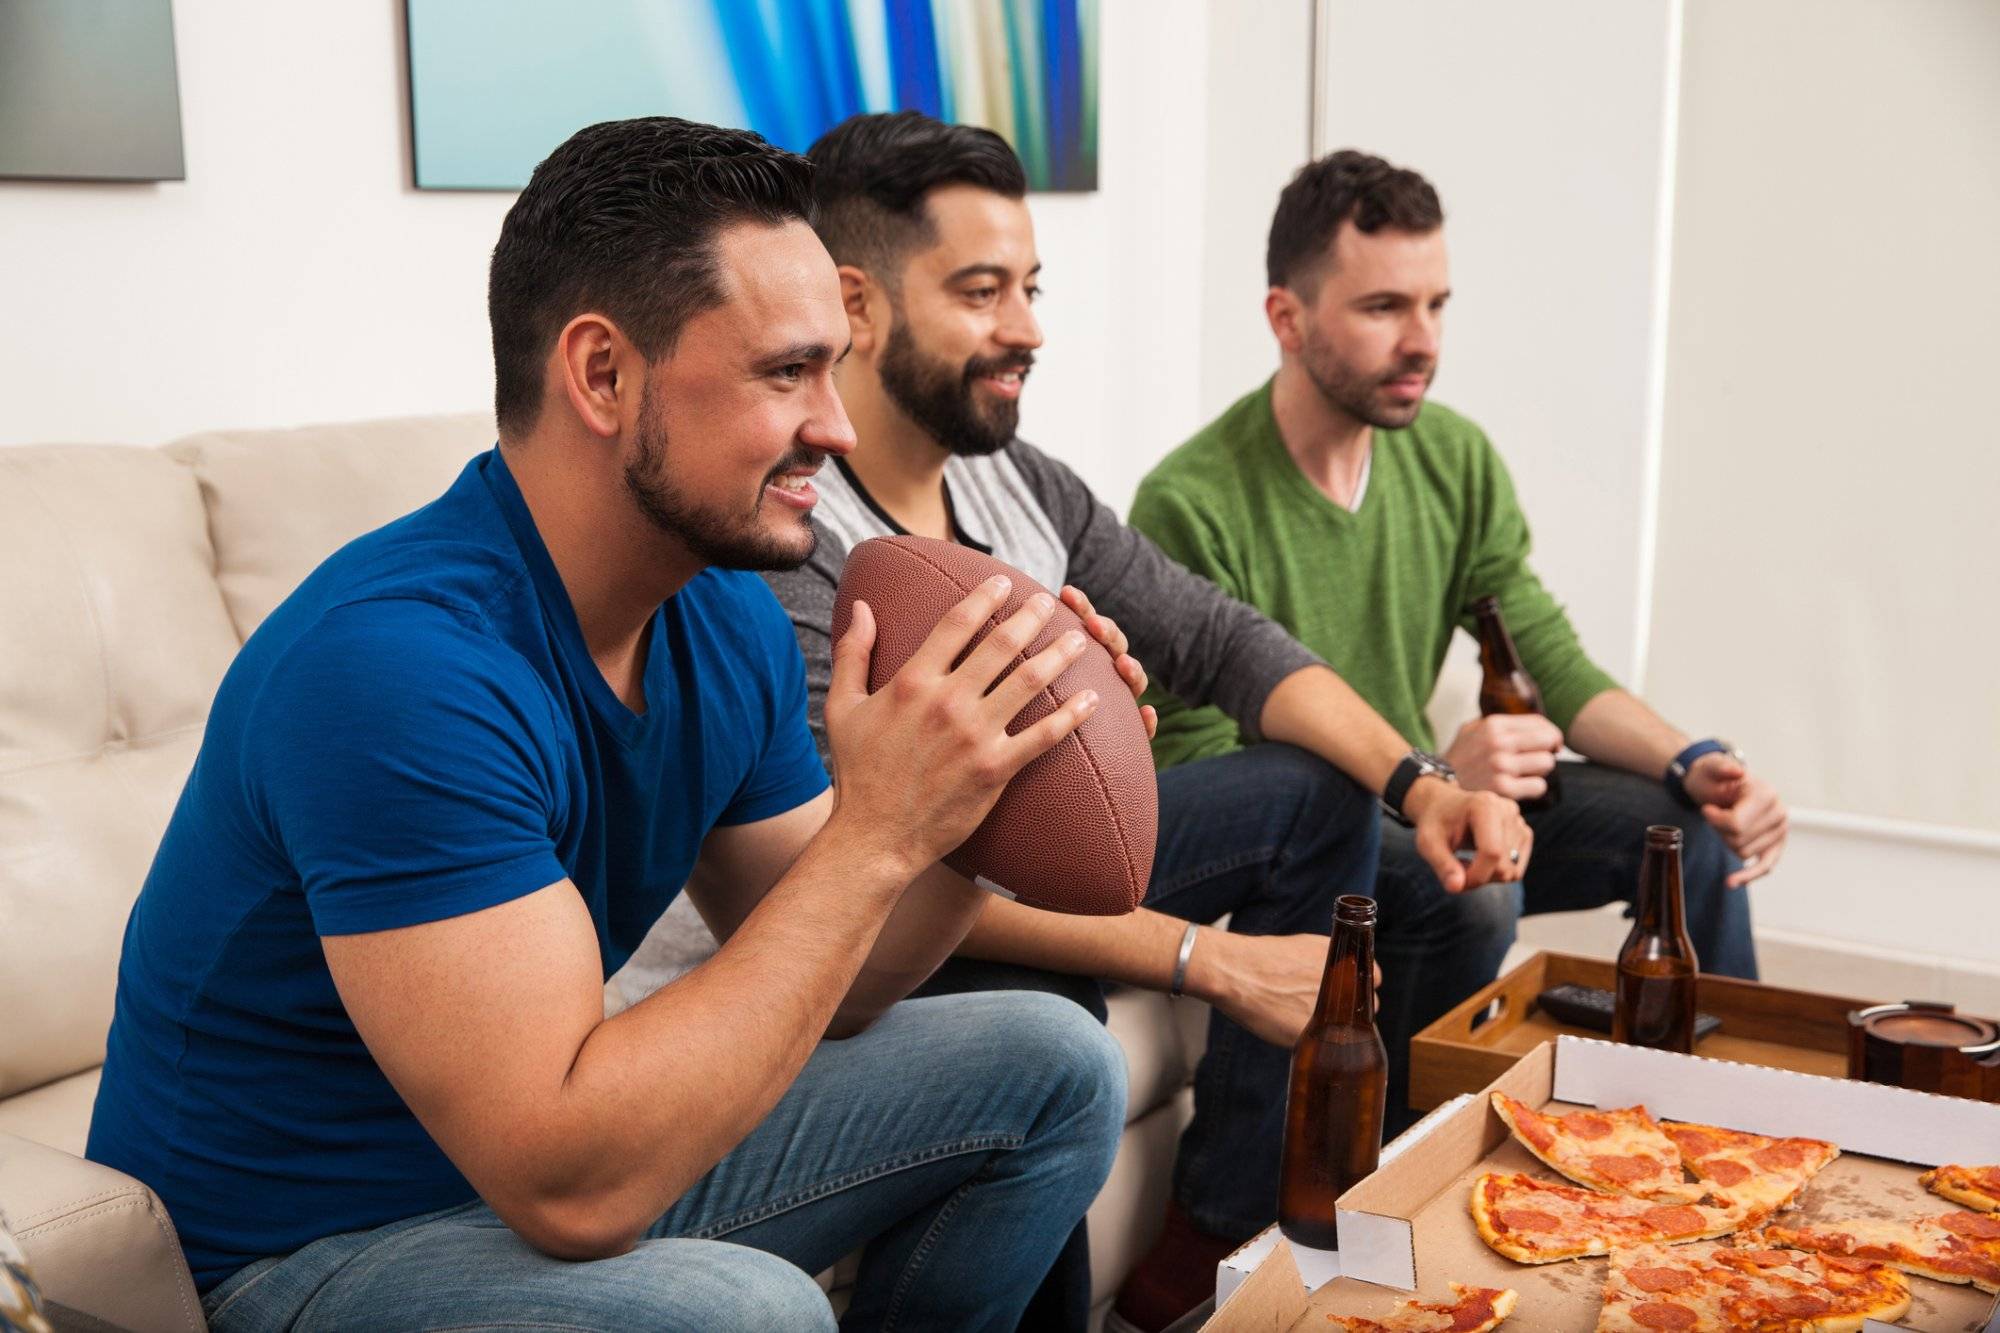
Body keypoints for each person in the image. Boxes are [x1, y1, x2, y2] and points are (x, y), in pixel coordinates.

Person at [83, 117, 1136, 1332]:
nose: (837, 428)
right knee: (743, 1314)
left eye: (833, 368)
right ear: (601, 375)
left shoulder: (720, 611)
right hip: (295, 1253)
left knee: (1052, 1063)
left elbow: (841, 984)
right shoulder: (395, 670)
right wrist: (877, 833)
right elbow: (568, 1189)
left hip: (517, 1186)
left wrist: (974, 790)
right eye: (785, 372)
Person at [758, 111, 1532, 1333]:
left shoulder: (1019, 482)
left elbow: (1225, 643)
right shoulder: (802, 548)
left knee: (1313, 791)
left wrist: (1422, 783)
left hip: (1008, 855)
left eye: (1029, 286)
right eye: (979, 291)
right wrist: (1203, 957)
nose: (1026, 328)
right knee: (1035, 1014)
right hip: (903, 904)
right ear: (855, 305)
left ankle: (1226, 1228)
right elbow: (864, 867)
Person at [1133, 149, 1790, 1017]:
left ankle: (1717, 1113)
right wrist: (1436, 780)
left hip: (1429, 798)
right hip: (1333, 833)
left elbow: (1546, 654)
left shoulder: (1453, 456)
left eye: (1436, 304)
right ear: (1286, 319)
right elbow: (1218, 777)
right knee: (1470, 887)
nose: (1424, 341)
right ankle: (1414, 1142)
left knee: (1685, 835)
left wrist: (1694, 759)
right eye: (1384, 308)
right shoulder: (1191, 502)